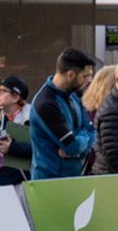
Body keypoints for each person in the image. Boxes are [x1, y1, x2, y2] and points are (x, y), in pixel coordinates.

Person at [30, 48, 99, 180]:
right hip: (50, 181)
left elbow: (92, 131)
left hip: (72, 177)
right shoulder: (46, 103)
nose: (88, 81)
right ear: (71, 75)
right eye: (85, 76)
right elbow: (72, 147)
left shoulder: (73, 95)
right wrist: (82, 141)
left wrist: (80, 146)